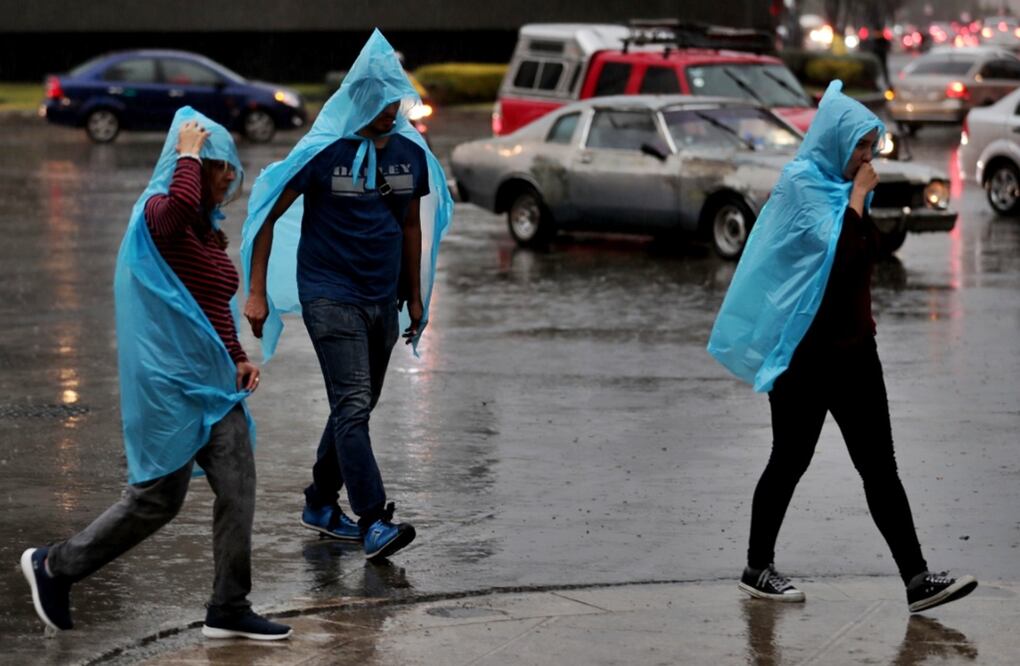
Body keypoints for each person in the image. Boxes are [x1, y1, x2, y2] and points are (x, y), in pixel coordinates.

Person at [707, 81, 977, 613]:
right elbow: (833, 267)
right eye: (859, 146)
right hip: (804, 358)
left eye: (871, 146)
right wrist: (855, 201)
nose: (867, 157)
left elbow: (862, 255)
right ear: (833, 141)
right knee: (789, 460)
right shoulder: (801, 187)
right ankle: (757, 567)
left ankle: (917, 580)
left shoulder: (842, 190)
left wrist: (856, 202)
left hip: (856, 354)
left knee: (881, 468)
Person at [20, 109, 291, 640]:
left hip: (214, 385)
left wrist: (237, 356)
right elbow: (173, 211)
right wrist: (187, 153)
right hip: (168, 387)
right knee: (155, 500)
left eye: (227, 170)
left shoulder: (206, 235)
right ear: (190, 167)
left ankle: (228, 607)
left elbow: (213, 306)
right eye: (218, 168)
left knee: (239, 489)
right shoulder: (157, 217)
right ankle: (54, 566)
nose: (228, 179)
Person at [241, 30, 452, 562]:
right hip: (328, 294)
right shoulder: (324, 152)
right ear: (358, 98)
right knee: (354, 404)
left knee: (354, 407)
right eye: (378, 101)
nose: (388, 110)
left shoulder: (410, 154)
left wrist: (417, 296)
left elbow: (410, 229)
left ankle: (318, 501)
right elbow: (268, 215)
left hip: (382, 298)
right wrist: (257, 291)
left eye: (394, 101)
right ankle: (374, 520)